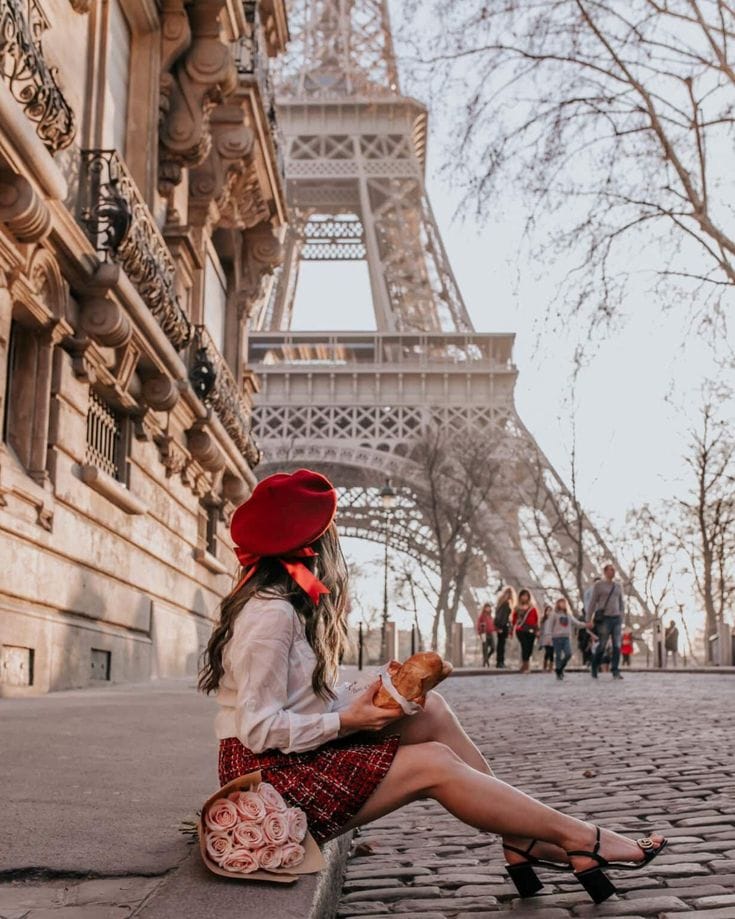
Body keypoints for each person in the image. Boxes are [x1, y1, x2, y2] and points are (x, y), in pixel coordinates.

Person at [199, 469, 667, 906]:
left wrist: (375, 689)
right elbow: (259, 729)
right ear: (315, 543)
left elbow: (298, 696)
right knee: (435, 764)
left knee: (431, 709)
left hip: (290, 760)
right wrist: (349, 719)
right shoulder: (272, 615)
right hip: (271, 780)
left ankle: (522, 835)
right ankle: (584, 840)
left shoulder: (286, 606)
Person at [586, 565, 625, 680]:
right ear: (605, 572)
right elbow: (592, 602)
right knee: (602, 645)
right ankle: (594, 666)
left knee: (617, 645)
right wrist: (588, 619)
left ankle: (615, 670)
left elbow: (621, 602)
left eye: (614, 570)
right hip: (605, 619)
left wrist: (622, 616)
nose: (612, 572)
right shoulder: (599, 585)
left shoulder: (618, 586)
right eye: (610, 570)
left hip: (616, 618)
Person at [550, 598, 592, 680]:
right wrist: (548, 636)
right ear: (557, 604)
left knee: (568, 654)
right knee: (558, 655)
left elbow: (577, 623)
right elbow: (550, 626)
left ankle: (560, 668)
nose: (562, 604)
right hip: (556, 637)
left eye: (564, 603)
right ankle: (559, 673)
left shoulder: (568, 615)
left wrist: (586, 625)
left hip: (566, 637)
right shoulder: (554, 614)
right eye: (560, 603)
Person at [512, 589, 539, 673]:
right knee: (525, 646)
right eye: (523, 595)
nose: (525, 597)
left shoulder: (533, 608)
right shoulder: (517, 608)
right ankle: (525, 666)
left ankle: (525, 665)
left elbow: (536, 619)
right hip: (521, 629)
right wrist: (512, 629)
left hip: (531, 630)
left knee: (530, 648)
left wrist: (537, 630)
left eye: (526, 596)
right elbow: (514, 620)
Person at [494, 586, 515, 669]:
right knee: (501, 645)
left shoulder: (501, 603)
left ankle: (500, 661)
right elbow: (502, 617)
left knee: (501, 644)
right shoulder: (505, 604)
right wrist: (500, 627)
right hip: (502, 626)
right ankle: (500, 662)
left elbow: (499, 616)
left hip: (502, 626)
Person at [477, 603, 497, 668]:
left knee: (493, 648)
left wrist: (496, 629)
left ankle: (486, 658)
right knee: (485, 648)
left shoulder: (491, 616)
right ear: (484, 608)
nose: (488, 609)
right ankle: (485, 662)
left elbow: (493, 625)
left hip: (490, 633)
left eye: (489, 607)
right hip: (483, 633)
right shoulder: (482, 616)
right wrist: (479, 632)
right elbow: (478, 624)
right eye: (486, 607)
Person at [539, 605, 554, 672]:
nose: (549, 612)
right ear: (545, 612)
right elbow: (541, 631)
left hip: (552, 637)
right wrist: (540, 641)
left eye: (550, 610)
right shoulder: (543, 620)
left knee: (551, 653)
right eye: (548, 610)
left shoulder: (554, 620)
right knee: (547, 652)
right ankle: (544, 666)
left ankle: (551, 667)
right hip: (545, 637)